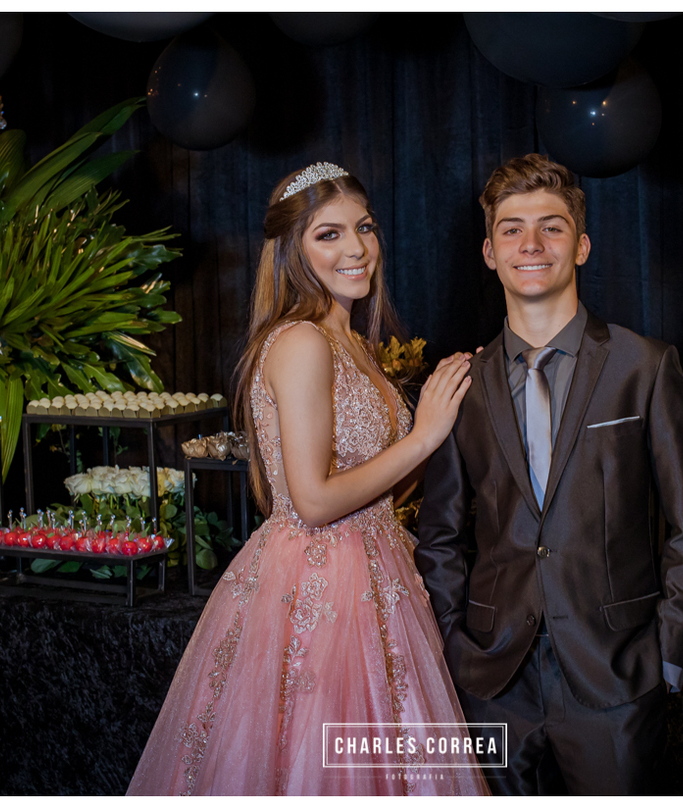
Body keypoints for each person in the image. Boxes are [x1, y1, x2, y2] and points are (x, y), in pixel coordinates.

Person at [127, 163, 488, 796]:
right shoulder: (301, 342)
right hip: (319, 588)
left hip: (376, 574)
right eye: (329, 234)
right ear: (293, 249)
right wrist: (424, 435)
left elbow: (380, 493)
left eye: (364, 227)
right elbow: (314, 501)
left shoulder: (353, 344)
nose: (356, 248)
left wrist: (450, 409)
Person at [416, 153, 683, 795]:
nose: (531, 244)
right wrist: (453, 647)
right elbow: (439, 535)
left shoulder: (645, 367)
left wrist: (667, 654)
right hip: (493, 679)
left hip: (616, 674)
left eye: (551, 227)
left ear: (580, 246)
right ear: (490, 252)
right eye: (512, 229)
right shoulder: (459, 386)